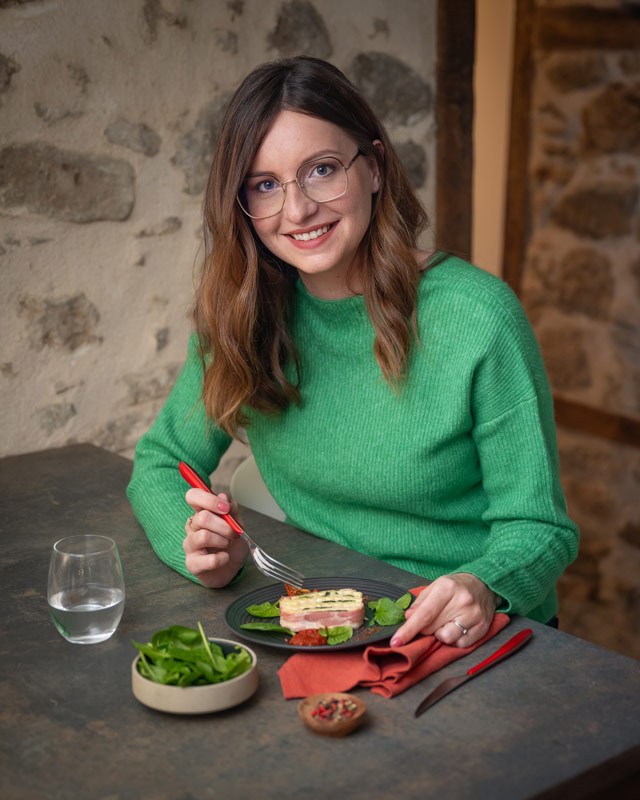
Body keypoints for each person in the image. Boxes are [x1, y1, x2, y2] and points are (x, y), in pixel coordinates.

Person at [127, 56, 579, 648]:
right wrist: (197, 544)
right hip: (327, 626)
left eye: (321, 169)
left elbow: (540, 527)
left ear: (374, 167)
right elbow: (161, 460)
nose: (297, 210)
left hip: (473, 636)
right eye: (265, 185)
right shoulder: (242, 319)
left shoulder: (478, 318)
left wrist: (485, 584)